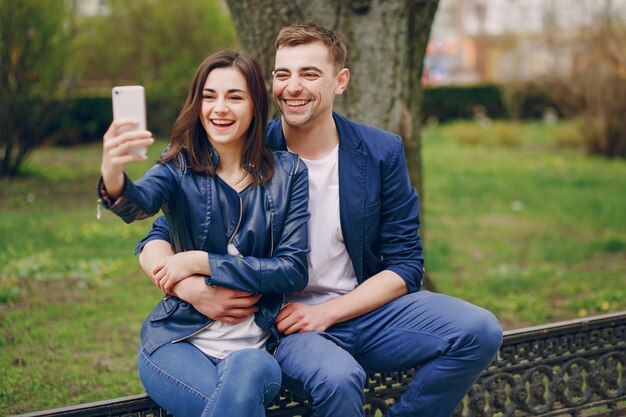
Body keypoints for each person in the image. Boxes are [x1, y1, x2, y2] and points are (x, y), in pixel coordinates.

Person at [137, 24, 503, 417]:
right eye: (283, 74)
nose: (293, 86)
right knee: (339, 378)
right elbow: (163, 234)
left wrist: (331, 311)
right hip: (286, 324)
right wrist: (191, 289)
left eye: (310, 74)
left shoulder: (380, 152)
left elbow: (407, 265)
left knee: (480, 331)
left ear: (339, 81)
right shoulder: (251, 148)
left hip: (366, 310)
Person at [98, 50, 310, 417]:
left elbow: (292, 270)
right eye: (209, 96)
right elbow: (139, 203)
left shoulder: (289, 173)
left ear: (256, 106)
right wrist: (113, 174)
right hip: (176, 344)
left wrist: (201, 262)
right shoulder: (178, 165)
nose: (219, 108)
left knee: (247, 375)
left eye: (234, 97)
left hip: (255, 352)